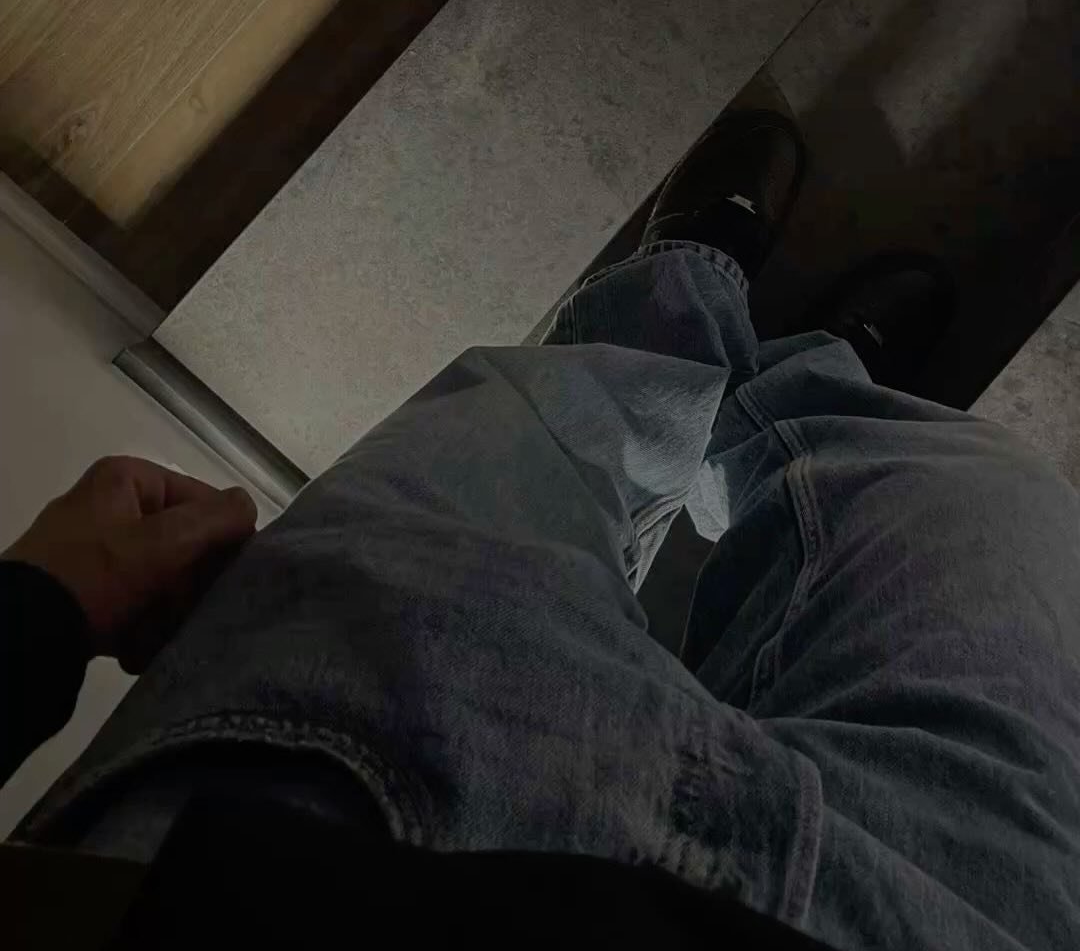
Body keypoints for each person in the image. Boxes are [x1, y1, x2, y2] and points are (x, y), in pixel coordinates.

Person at [2, 111, 1078, 950]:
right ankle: (815, 415)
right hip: (909, 924)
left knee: (554, 421)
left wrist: (39, 614)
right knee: (979, 494)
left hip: (293, 851)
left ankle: (693, 301)